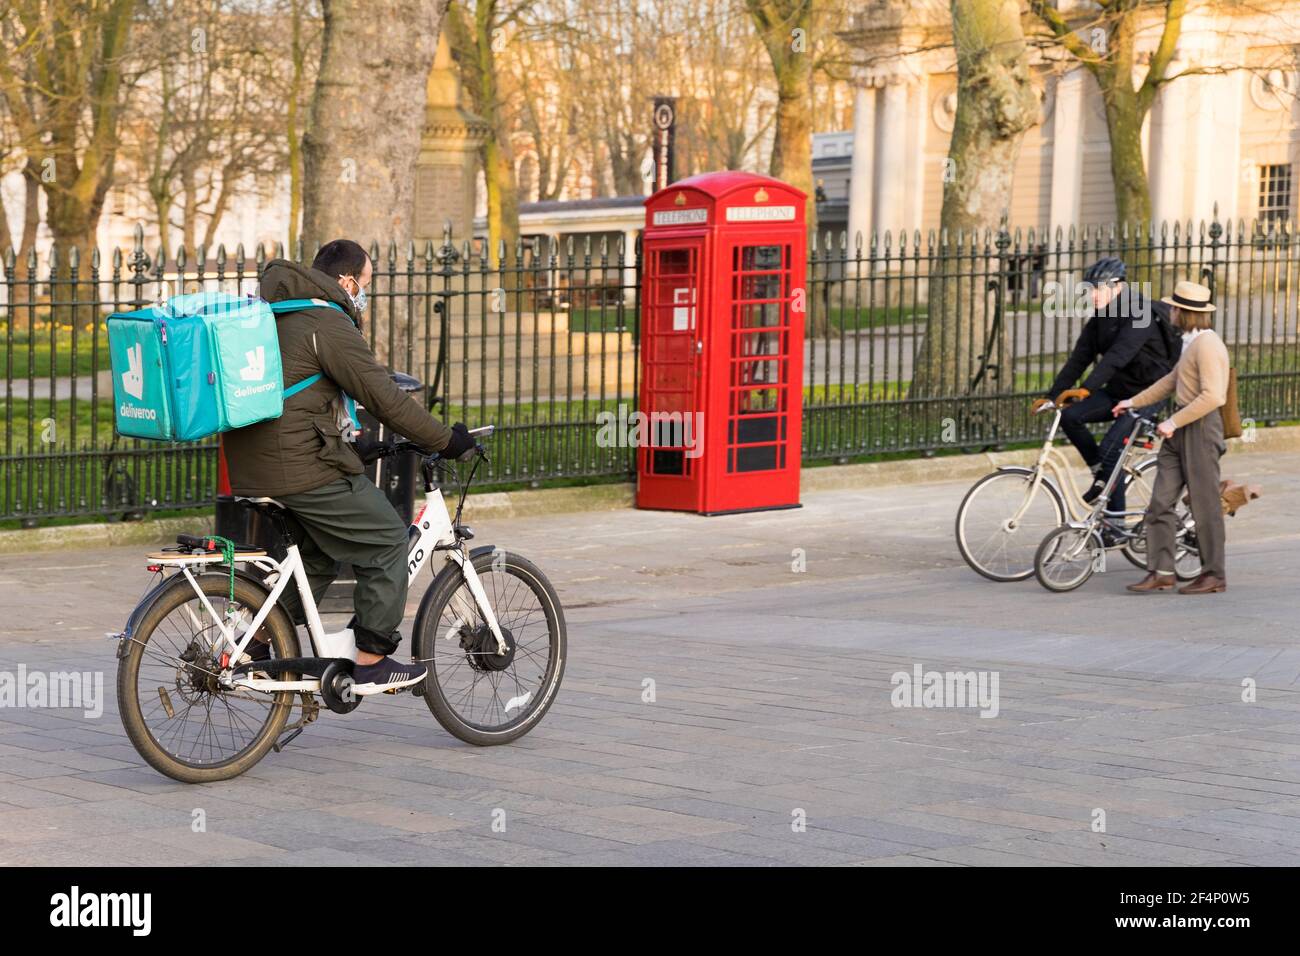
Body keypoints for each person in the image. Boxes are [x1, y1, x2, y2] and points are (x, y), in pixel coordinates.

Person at [222, 239, 477, 691]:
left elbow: (304, 399)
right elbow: (384, 398)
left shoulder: (278, 313)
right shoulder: (325, 322)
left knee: (319, 557)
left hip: (255, 460)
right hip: (297, 465)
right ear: (346, 280)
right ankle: (372, 660)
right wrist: (446, 440)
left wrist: (347, 447)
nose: (364, 295)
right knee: (385, 540)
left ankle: (257, 644)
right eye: (366, 284)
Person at [1032, 257, 1180, 519]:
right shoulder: (1101, 317)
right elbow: (1079, 359)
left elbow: (1117, 357)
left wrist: (1087, 389)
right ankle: (1101, 475)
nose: (1093, 295)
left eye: (1099, 289)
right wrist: (1053, 397)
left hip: (1148, 394)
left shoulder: (1140, 314)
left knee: (1112, 450)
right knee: (1070, 416)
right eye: (1090, 289)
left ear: (1118, 286)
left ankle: (1117, 524)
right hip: (1118, 389)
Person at [1116, 280, 1230, 595]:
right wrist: (1132, 402)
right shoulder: (1190, 342)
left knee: (1205, 505)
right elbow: (1171, 380)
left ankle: (1214, 574)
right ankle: (1162, 571)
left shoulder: (1207, 345)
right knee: (1159, 503)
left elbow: (1214, 396)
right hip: (1180, 429)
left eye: (1174, 308)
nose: (1170, 312)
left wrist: (1173, 421)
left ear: (1184, 312)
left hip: (1200, 429)